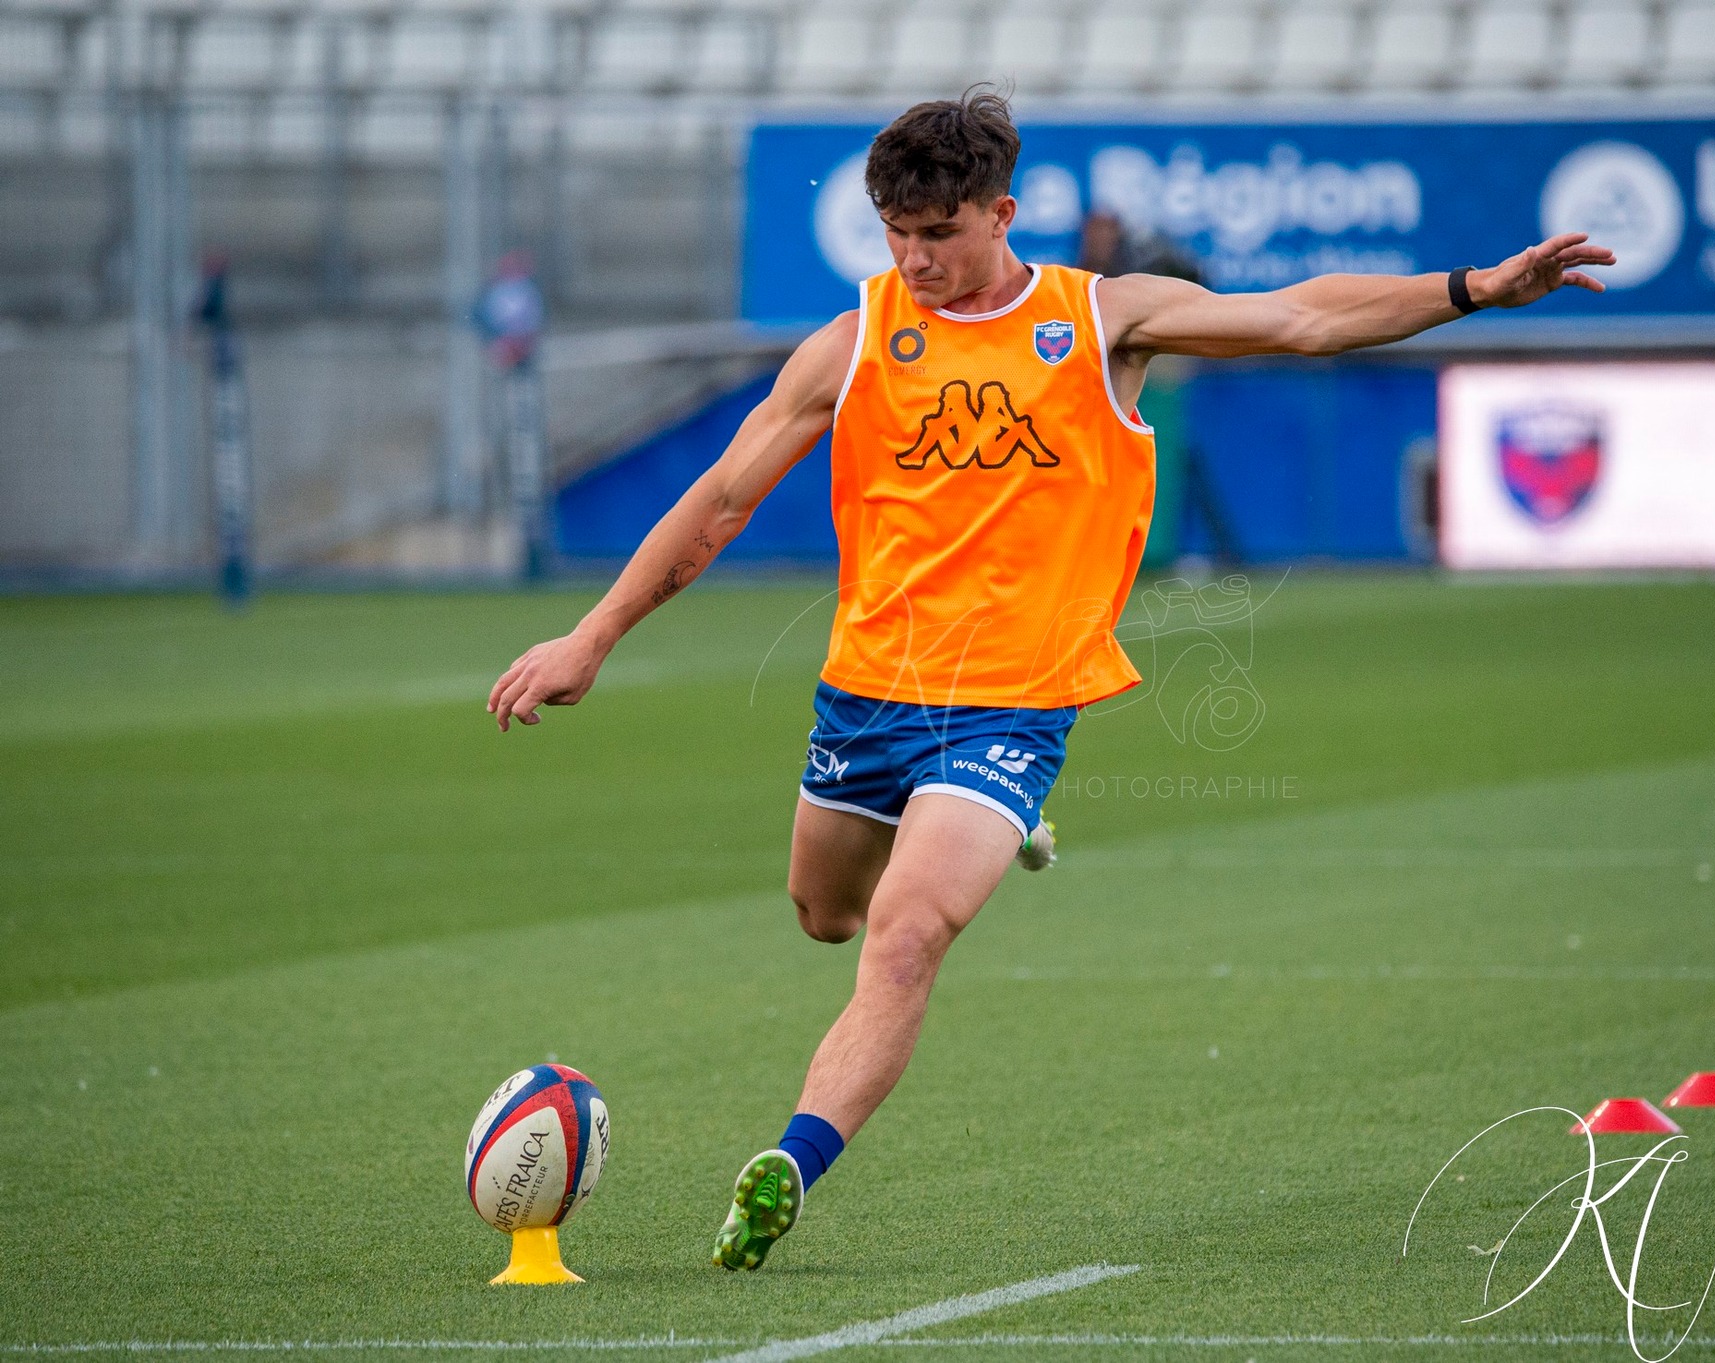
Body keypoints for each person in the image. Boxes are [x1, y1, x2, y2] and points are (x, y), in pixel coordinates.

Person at [484, 88, 1614, 1272]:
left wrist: (1470, 288)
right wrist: (592, 637)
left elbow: (1300, 321)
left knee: (908, 933)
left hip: (1017, 699)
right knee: (824, 912)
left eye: (939, 234)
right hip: (867, 692)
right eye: (895, 235)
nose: (915, 260)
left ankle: (790, 1161)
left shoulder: (1101, 321)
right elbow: (720, 499)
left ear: (1001, 212)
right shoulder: (856, 341)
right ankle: (985, 831)